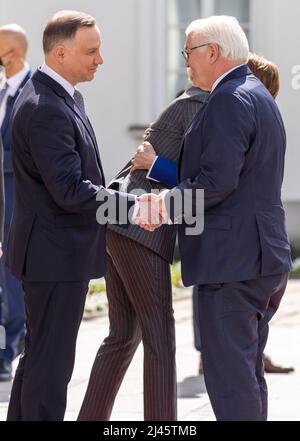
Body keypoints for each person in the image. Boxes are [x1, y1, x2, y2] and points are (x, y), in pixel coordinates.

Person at [138, 16, 292, 421]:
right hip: (258, 256)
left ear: (213, 52)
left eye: (189, 52)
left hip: (232, 261)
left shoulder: (228, 98)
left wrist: (162, 205)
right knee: (246, 375)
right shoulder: (257, 93)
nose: (186, 62)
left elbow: (216, 181)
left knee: (230, 382)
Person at [5, 10, 137, 421]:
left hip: (53, 253)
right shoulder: (47, 106)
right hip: (54, 256)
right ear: (60, 53)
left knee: (39, 358)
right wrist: (135, 206)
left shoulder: (59, 96)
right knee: (51, 366)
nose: (100, 60)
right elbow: (69, 190)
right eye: (91, 51)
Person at [78, 82, 209, 420]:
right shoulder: (203, 105)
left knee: (123, 334)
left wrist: (156, 162)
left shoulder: (190, 102)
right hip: (139, 224)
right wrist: (158, 165)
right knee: (159, 335)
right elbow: (210, 182)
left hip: (116, 218)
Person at [0, 25, 30, 382]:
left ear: (15, 53)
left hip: (16, 201)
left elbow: (27, 154)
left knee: (11, 278)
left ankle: (12, 347)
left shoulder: (32, 90)